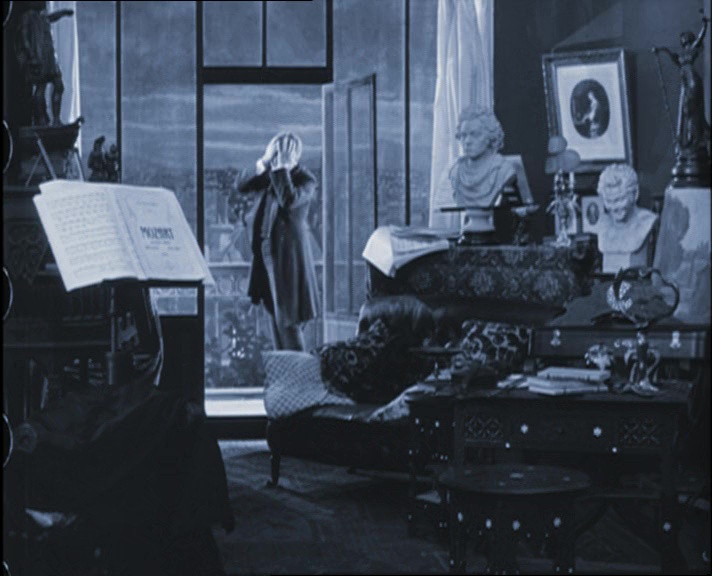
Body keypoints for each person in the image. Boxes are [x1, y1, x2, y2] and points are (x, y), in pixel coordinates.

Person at [237, 132, 320, 351]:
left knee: (289, 325)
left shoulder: (306, 179)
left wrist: (282, 168)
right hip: (266, 259)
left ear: (295, 154)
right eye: (276, 151)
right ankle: (286, 371)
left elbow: (288, 200)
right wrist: (264, 161)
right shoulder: (270, 175)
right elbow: (241, 185)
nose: (277, 157)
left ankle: (298, 372)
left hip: (287, 262)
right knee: (275, 322)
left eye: (282, 151)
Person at [446, 107, 516, 235]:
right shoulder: (455, 171)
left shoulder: (503, 170)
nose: (467, 141)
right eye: (463, 135)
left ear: (490, 137)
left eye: (475, 134)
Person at [14, 1, 74, 127]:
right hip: (38, 56)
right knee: (41, 86)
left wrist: (63, 13)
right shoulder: (27, 16)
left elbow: (51, 18)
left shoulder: (41, 15)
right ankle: (41, 119)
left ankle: (56, 119)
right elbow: (24, 38)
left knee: (58, 85)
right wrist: (31, 55)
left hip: (49, 56)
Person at [596, 164, 658, 273]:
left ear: (635, 194)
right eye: (609, 201)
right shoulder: (603, 223)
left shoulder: (648, 221)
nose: (614, 207)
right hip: (608, 281)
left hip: (635, 281)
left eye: (620, 199)